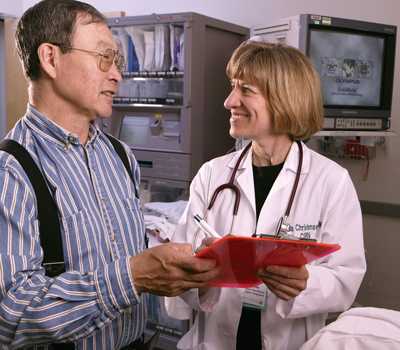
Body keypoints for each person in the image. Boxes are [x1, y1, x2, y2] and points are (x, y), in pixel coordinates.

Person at [0, 1, 219, 349]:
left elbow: (126, 255)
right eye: (104, 57)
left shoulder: (119, 155)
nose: (117, 74)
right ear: (50, 58)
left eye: (116, 60)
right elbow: (12, 317)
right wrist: (132, 277)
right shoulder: (11, 171)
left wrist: (184, 264)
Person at [166, 41, 366, 350]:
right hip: (215, 340)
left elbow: (346, 278)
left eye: (245, 90)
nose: (229, 101)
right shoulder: (212, 175)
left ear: (285, 98)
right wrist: (201, 274)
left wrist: (306, 283)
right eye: (232, 87)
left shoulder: (331, 182)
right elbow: (180, 278)